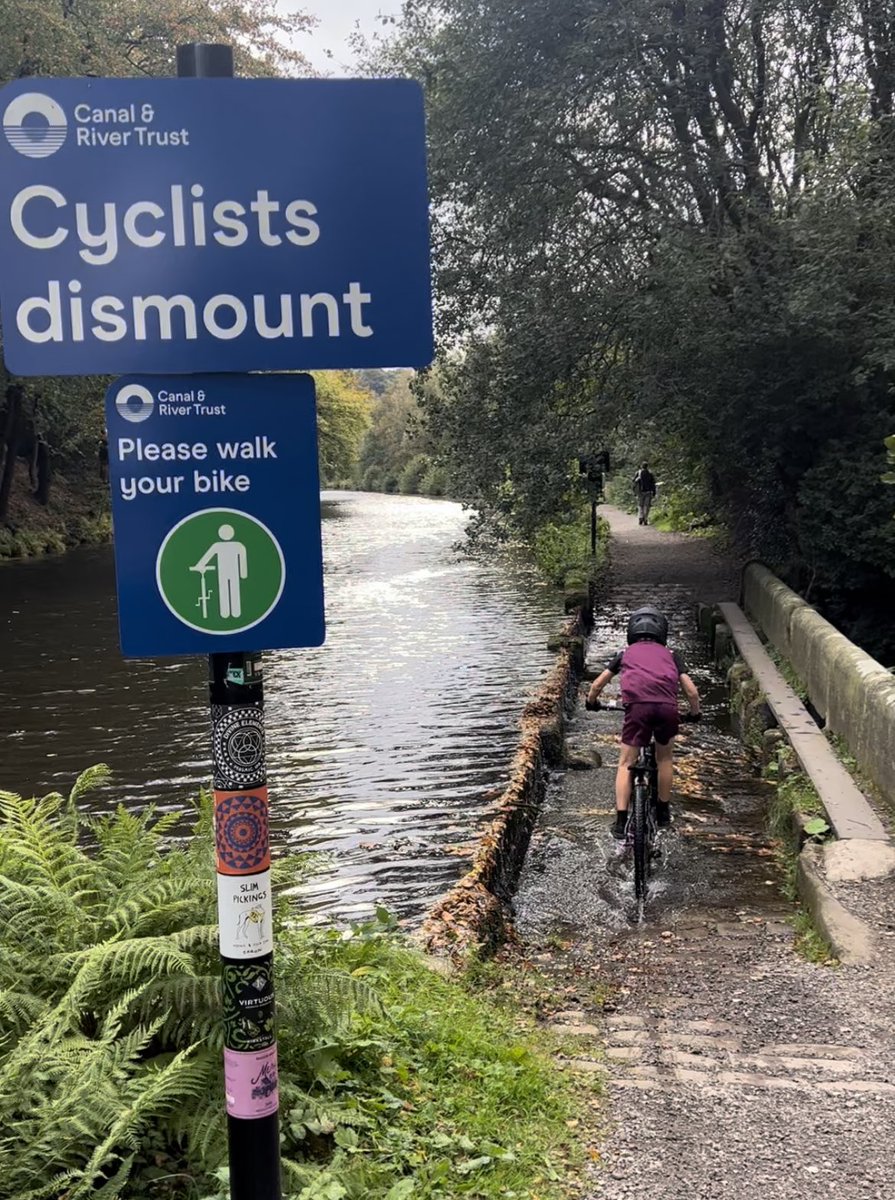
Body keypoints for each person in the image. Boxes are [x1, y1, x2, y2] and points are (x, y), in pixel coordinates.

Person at [585, 606, 701, 839]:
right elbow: (691, 691)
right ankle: (663, 812)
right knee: (664, 758)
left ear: (631, 632)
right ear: (662, 633)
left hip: (637, 709)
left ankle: (620, 821)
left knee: (626, 763)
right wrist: (695, 713)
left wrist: (591, 702)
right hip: (667, 709)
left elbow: (597, 685)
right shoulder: (671, 656)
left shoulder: (624, 654)